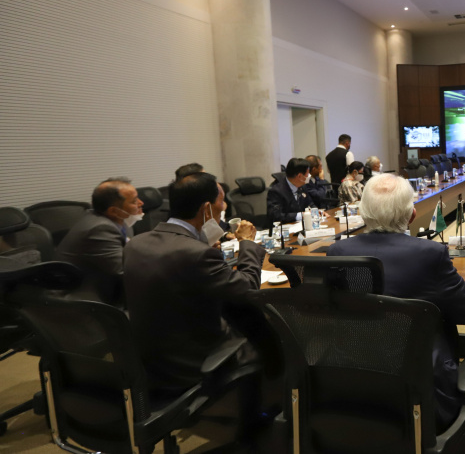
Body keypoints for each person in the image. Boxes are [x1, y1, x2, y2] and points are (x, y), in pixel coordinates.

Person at [326, 174, 465, 430]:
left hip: (351, 380)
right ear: (411, 215)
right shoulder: (430, 253)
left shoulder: (337, 251)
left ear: (362, 214)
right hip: (420, 390)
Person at [123, 172, 264, 391]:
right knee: (261, 328)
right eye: (221, 201)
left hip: (146, 358)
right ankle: (262, 412)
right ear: (207, 208)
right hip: (191, 362)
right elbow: (248, 289)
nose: (224, 206)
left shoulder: (136, 244)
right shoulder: (196, 253)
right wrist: (247, 244)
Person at [57, 178, 144, 306]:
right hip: (85, 297)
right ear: (113, 211)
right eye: (134, 201)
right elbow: (125, 270)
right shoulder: (100, 229)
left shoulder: (119, 220)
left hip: (110, 284)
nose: (141, 203)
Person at [267, 157, 317, 224]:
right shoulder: (276, 191)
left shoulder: (303, 186)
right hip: (285, 229)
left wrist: (316, 211)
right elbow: (276, 215)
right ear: (299, 176)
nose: (309, 176)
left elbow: (310, 203)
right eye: (307, 174)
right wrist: (300, 215)